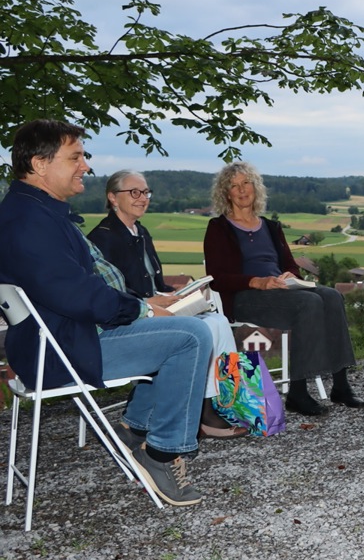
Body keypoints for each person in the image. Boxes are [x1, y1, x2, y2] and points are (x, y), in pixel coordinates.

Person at [0, 120, 213, 507]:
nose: (85, 166)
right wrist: (140, 310)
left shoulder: (33, 212)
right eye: (75, 157)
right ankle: (161, 454)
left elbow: (76, 288)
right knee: (191, 337)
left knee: (183, 330)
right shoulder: (29, 221)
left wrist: (144, 306)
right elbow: (74, 293)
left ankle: (138, 428)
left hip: (63, 338)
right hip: (64, 350)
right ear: (40, 164)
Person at [88, 170, 246, 439]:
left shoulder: (141, 232)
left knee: (218, 321)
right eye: (134, 192)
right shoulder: (103, 237)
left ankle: (219, 402)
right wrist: (149, 301)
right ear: (113, 198)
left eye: (146, 192)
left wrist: (182, 293)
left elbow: (155, 282)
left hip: (156, 307)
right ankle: (201, 414)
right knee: (205, 330)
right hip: (132, 315)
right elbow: (109, 294)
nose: (142, 198)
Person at [203, 161, 362, 416]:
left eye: (246, 183)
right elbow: (217, 278)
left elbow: (289, 264)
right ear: (226, 193)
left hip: (281, 290)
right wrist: (256, 281)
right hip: (246, 297)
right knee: (309, 304)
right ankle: (298, 392)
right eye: (234, 186)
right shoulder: (218, 229)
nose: (242, 190)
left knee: (332, 296)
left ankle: (340, 384)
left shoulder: (270, 226)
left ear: (256, 188)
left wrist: (291, 275)